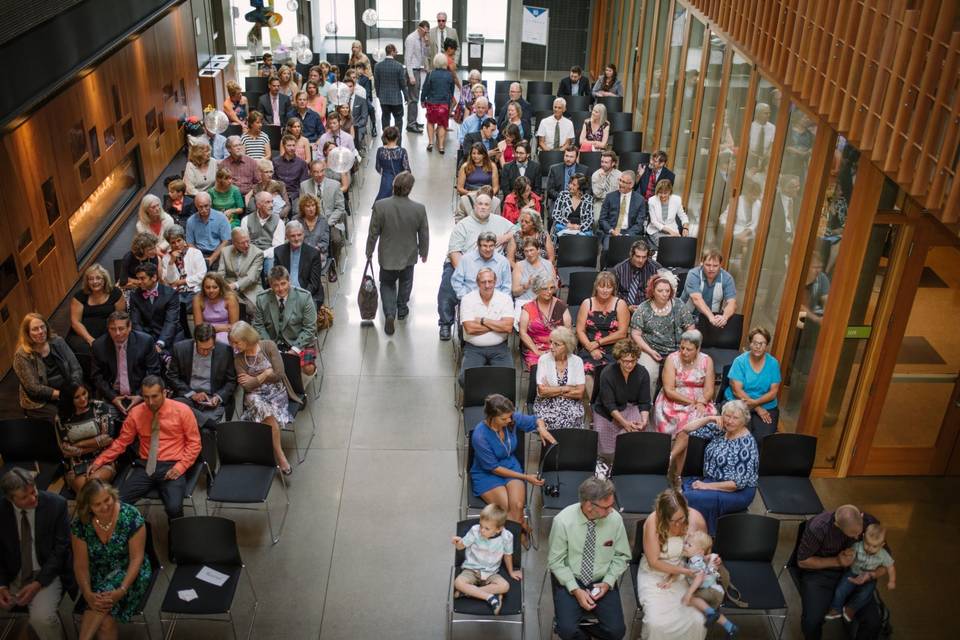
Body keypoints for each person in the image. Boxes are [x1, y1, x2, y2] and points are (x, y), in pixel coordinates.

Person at [89, 376, 201, 520]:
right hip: (146, 466)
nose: (150, 402)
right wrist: (100, 461)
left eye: (154, 396)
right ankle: (136, 536)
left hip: (173, 465)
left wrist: (181, 466)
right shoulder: (136, 413)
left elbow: (194, 443)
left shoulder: (182, 411)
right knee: (118, 504)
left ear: (164, 393)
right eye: (146, 397)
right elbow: (121, 442)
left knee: (174, 509)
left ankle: (176, 540)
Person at [547, 476, 630, 640]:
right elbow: (556, 562)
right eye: (606, 507)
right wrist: (575, 589)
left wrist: (608, 582)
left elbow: (622, 556)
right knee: (567, 630)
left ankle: (587, 632)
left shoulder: (615, 520)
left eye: (612, 505)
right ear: (588, 505)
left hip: (602, 579)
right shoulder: (563, 521)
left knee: (617, 631)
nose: (611, 510)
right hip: (572, 578)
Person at [70, 479, 152, 640]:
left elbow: (137, 558)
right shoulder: (80, 524)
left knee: (103, 596)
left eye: (107, 500)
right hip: (98, 574)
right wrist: (86, 593)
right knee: (105, 623)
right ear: (88, 506)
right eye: (97, 504)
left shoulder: (130, 515)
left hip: (129, 572)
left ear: (112, 495)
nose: (105, 506)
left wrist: (121, 590)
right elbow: (81, 564)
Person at [470, 394, 556, 547]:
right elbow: (494, 468)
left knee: (517, 506)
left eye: (510, 417)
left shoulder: (511, 417)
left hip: (510, 464)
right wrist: (525, 477)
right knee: (506, 510)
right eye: (504, 419)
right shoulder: (480, 435)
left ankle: (518, 528)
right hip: (487, 474)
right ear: (492, 417)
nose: (509, 421)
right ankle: (519, 532)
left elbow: (537, 419)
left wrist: (541, 429)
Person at [0, 468, 71, 640]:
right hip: (12, 575)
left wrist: (38, 583)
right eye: (24, 497)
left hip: (46, 573)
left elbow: (61, 550)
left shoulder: (57, 505)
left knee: (43, 619)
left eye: (34, 491)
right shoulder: (1, 511)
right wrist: (1, 586)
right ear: (11, 499)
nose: (33, 498)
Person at [797, 505, 887, 639]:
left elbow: (885, 560)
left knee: (873, 622)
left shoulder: (870, 523)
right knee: (811, 622)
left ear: (861, 517)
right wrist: (837, 561)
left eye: (859, 532)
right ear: (837, 525)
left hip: (857, 573)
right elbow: (802, 561)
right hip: (821, 575)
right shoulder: (818, 527)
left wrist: (870, 575)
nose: (857, 537)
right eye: (852, 534)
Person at [635, 489, 712, 640]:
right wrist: (683, 571)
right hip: (654, 574)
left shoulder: (696, 519)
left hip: (683, 573)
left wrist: (710, 560)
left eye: (682, 518)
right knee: (655, 623)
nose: (679, 524)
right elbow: (654, 561)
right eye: (673, 521)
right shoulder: (653, 521)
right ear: (663, 516)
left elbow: (705, 549)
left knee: (697, 620)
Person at [672, 402, 759, 534]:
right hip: (713, 481)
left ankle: (696, 535)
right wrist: (709, 418)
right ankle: (691, 533)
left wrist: (706, 486)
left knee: (688, 498)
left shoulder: (746, 445)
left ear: (744, 420)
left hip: (737, 492)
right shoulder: (722, 429)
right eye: (727, 416)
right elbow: (687, 429)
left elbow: (737, 484)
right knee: (683, 495)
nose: (729, 421)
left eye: (735, 418)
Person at [438, 195, 513, 340]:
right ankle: (445, 323)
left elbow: (518, 227)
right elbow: (454, 252)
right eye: (480, 204)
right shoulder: (463, 225)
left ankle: (498, 320)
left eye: (486, 204)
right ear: (474, 206)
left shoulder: (499, 221)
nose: (483, 207)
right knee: (448, 285)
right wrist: (468, 277)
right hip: (464, 262)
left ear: (491, 208)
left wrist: (505, 237)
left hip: (492, 262)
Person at [229, 321, 297, 474]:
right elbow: (246, 387)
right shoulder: (238, 359)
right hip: (254, 396)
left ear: (246, 338)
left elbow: (279, 374)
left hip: (276, 393)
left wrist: (254, 379)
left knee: (267, 414)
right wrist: (266, 373)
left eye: (236, 342)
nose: (234, 346)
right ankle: (280, 455)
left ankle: (274, 452)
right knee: (264, 410)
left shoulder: (268, 346)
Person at [366, 172, 429, 335]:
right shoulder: (419, 209)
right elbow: (424, 233)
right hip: (409, 255)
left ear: (394, 186)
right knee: (406, 282)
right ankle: (402, 309)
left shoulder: (380, 206)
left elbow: (373, 232)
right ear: (410, 189)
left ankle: (389, 314)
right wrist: (424, 251)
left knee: (387, 284)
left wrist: (369, 251)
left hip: (387, 256)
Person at [630, 271, 696, 399]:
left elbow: (690, 327)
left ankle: (675, 407)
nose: (664, 294)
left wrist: (685, 348)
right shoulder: (643, 308)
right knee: (648, 374)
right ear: (652, 291)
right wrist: (650, 351)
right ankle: (646, 406)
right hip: (650, 349)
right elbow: (635, 334)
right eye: (660, 291)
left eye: (667, 291)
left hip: (676, 350)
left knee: (681, 377)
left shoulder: (678, 304)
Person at [451, 503, 519, 615]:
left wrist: (511, 572)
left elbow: (508, 555)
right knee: (458, 582)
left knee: (505, 586)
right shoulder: (475, 531)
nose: (482, 530)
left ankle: (467, 593)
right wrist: (457, 543)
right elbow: (461, 546)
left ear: (498, 529)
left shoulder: (507, 537)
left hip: (491, 572)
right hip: (471, 570)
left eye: (487, 528)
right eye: (481, 525)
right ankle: (491, 597)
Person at [668, 531, 738, 638]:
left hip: (711, 591)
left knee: (691, 599)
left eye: (689, 545)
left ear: (699, 551)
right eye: (685, 543)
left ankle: (711, 614)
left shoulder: (696, 562)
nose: (685, 546)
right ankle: (730, 627)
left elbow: (699, 577)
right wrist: (669, 581)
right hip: (714, 591)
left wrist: (688, 593)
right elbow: (683, 570)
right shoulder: (695, 559)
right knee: (712, 613)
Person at [14, 313, 83, 420]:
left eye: (42, 327)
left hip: (67, 390)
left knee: (84, 409)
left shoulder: (58, 341)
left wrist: (74, 390)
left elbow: (76, 368)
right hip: (41, 401)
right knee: (61, 418)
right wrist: (62, 395)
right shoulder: (22, 355)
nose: (40, 332)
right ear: (27, 333)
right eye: (35, 329)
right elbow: (34, 389)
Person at [167, 323, 237, 429]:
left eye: (209, 349)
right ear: (195, 341)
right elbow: (172, 376)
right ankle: (207, 422)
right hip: (188, 397)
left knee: (201, 428)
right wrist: (192, 394)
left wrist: (218, 397)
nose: (205, 352)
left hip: (211, 399)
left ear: (214, 342)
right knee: (174, 406)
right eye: (202, 349)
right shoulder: (180, 349)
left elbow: (231, 381)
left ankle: (204, 421)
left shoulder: (225, 351)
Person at [90, 312, 160, 416]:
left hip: (141, 393)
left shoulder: (145, 341)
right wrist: (113, 397)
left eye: (121, 328)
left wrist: (140, 395)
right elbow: (97, 376)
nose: (117, 333)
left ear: (129, 327)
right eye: (112, 329)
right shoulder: (98, 345)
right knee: (108, 425)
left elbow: (153, 371)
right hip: (112, 395)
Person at [253, 266, 318, 377]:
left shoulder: (305, 297)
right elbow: (258, 325)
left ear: (289, 281)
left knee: (308, 368)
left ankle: (299, 386)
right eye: (275, 285)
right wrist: (271, 348)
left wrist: (295, 349)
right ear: (270, 284)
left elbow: (310, 328)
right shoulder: (261, 299)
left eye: (283, 283)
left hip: (301, 342)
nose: (280, 289)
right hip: (272, 341)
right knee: (257, 366)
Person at [826, 522, 896, 623]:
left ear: (882, 545)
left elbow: (890, 567)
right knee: (841, 589)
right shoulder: (858, 546)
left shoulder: (883, 555)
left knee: (865, 593)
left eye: (874, 546)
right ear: (863, 537)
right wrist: (847, 553)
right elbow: (849, 553)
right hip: (853, 573)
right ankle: (836, 609)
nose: (869, 548)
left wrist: (892, 580)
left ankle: (851, 608)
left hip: (869, 578)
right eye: (867, 544)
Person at [593, 339, 651, 458]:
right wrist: (624, 423)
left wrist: (644, 421)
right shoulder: (607, 373)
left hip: (630, 406)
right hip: (607, 412)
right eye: (625, 361)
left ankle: (630, 463)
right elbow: (609, 404)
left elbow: (644, 401)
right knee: (606, 451)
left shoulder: (642, 372)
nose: (629, 364)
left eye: (633, 361)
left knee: (634, 435)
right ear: (619, 359)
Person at [56, 382, 117, 493]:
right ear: (69, 399)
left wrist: (79, 444)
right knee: (86, 490)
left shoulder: (100, 407)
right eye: (77, 397)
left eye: (84, 393)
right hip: (76, 465)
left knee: (93, 484)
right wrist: (97, 444)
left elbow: (108, 438)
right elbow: (66, 450)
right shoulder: (61, 417)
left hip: (102, 459)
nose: (83, 399)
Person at [653, 329, 716, 436]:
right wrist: (692, 402)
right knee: (681, 417)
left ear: (698, 349)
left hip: (700, 398)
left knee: (704, 417)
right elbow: (669, 390)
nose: (684, 352)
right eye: (682, 348)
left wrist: (701, 402)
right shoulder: (672, 359)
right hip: (674, 398)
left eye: (689, 349)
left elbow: (709, 388)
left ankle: (690, 446)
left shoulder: (707, 360)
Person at [458, 267, 515, 385]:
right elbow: (469, 328)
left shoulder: (505, 299)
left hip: (500, 348)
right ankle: (479, 401)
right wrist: (497, 324)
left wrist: (483, 321)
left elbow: (508, 327)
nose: (487, 285)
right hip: (474, 348)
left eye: (490, 281)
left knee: (507, 378)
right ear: (478, 283)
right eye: (483, 282)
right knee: (466, 379)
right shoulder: (467, 299)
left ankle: (496, 402)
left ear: (495, 282)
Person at [724, 326, 782, 441]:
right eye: (755, 343)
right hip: (740, 403)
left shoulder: (773, 363)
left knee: (762, 438)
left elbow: (773, 392)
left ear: (767, 345)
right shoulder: (740, 361)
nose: (758, 346)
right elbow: (737, 390)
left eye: (762, 343)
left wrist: (755, 404)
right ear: (750, 343)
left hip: (766, 405)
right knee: (741, 435)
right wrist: (757, 408)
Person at [576, 271, 630, 382]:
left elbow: (622, 333)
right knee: (586, 371)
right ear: (596, 287)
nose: (605, 290)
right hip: (589, 347)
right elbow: (580, 330)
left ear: (613, 289)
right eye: (602, 286)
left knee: (612, 374)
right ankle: (592, 399)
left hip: (614, 349)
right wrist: (591, 348)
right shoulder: (587, 303)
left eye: (609, 287)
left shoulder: (620, 304)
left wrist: (598, 343)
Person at [67, 264, 126, 359]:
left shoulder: (115, 293)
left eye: (98, 278)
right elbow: (75, 322)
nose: (95, 282)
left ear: (105, 279)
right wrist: (90, 340)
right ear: (87, 281)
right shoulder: (79, 296)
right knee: (84, 349)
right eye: (91, 279)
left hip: (108, 331)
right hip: (83, 334)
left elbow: (121, 317)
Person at [534, 327, 586, 430]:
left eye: (556, 344)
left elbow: (580, 393)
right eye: (551, 342)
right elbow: (542, 391)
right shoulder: (544, 360)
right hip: (546, 404)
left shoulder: (577, 361)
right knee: (553, 419)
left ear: (567, 346)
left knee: (572, 416)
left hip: (572, 404)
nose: (551, 347)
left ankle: (566, 445)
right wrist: (567, 388)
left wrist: (552, 390)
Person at [299, 159, 346, 271]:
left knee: (336, 240)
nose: (319, 175)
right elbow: (302, 206)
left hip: (330, 221)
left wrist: (328, 222)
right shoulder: (304, 186)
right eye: (315, 172)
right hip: (311, 221)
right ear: (310, 172)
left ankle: (333, 266)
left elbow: (340, 208)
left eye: (321, 171)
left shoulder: (335, 185)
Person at [128, 262, 183, 353]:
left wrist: (160, 343)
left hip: (170, 336)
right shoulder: (135, 295)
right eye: (138, 278)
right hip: (148, 336)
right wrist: (147, 342)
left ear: (153, 277)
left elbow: (171, 322)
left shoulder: (170, 294)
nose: (139, 282)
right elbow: (136, 323)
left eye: (142, 278)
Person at [161, 225, 207, 327]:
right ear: (169, 244)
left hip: (194, 290)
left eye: (179, 240)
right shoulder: (166, 258)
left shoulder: (195, 253)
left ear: (183, 239)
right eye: (173, 242)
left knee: (180, 305)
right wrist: (171, 262)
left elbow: (201, 275)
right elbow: (170, 280)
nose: (177, 245)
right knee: (173, 303)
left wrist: (182, 282)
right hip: (176, 293)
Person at [274, 220, 325, 308]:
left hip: (308, 293)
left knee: (303, 312)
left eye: (299, 235)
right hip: (285, 292)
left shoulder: (313, 253)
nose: (297, 238)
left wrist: (300, 298)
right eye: (293, 236)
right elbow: (278, 278)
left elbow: (314, 284)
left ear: (303, 234)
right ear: (287, 237)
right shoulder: (279, 252)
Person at [681, 248, 737, 327]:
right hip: (685, 316)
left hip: (710, 320)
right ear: (702, 263)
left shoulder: (727, 278)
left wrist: (724, 317)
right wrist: (711, 317)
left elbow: (732, 303)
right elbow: (697, 299)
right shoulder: (693, 274)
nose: (711, 269)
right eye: (708, 265)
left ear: (720, 265)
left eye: (715, 266)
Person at [214, 227, 264, 315]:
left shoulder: (257, 253)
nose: (246, 245)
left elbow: (251, 277)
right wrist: (221, 287)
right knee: (231, 305)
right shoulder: (225, 251)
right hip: (229, 288)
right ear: (234, 243)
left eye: (248, 241)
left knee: (253, 309)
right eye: (242, 243)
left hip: (251, 288)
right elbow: (220, 274)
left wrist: (234, 285)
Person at [451, 233, 512, 300]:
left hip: (496, 302)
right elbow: (456, 282)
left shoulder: (503, 261)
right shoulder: (466, 259)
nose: (488, 249)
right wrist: (465, 298)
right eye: (485, 246)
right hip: (470, 300)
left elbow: (507, 286)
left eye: (491, 246)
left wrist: (500, 301)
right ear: (478, 246)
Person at [610, 239, 662, 312]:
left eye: (644, 257)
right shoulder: (619, 269)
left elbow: (660, 292)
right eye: (638, 256)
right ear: (631, 255)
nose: (641, 260)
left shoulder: (655, 269)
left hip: (649, 309)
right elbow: (614, 292)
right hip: (623, 309)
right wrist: (627, 306)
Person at [598, 171, 646, 249]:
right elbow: (602, 219)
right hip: (612, 232)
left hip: (630, 233)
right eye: (620, 180)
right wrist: (612, 231)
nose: (620, 184)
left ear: (631, 184)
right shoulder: (610, 197)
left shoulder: (640, 200)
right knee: (607, 250)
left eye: (624, 182)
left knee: (633, 252)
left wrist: (627, 235)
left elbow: (639, 224)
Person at [420, 53, 456, 153]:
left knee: (430, 122)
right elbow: (451, 91)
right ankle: (441, 146)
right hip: (444, 104)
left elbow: (425, 88)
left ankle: (431, 143)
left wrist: (423, 100)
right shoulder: (450, 75)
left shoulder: (430, 74)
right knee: (442, 125)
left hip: (432, 103)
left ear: (435, 62)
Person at [511, 240, 556, 321]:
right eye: (526, 251)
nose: (529, 254)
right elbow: (514, 292)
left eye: (531, 250)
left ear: (538, 250)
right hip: (525, 301)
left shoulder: (548, 264)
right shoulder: (519, 265)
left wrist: (546, 288)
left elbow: (555, 288)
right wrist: (526, 286)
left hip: (544, 301)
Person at [241, 191, 286, 270]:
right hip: (250, 254)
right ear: (258, 205)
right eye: (267, 202)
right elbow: (244, 243)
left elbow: (278, 247)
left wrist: (262, 254)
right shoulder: (246, 220)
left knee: (271, 265)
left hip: (269, 256)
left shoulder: (279, 222)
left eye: (272, 202)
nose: (271, 205)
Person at [185, 192, 232, 267]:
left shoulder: (221, 218)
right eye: (200, 207)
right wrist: (199, 258)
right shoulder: (191, 221)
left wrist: (211, 259)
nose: (204, 209)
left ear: (210, 204)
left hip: (218, 252)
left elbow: (226, 241)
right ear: (196, 206)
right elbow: (190, 243)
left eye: (206, 206)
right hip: (199, 253)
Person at [192, 273, 240, 344]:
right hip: (205, 334)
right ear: (203, 288)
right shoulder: (198, 299)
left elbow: (234, 326)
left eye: (215, 287)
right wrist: (211, 330)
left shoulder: (230, 298)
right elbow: (199, 327)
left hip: (227, 332)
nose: (211, 290)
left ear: (220, 287)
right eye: (207, 287)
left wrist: (214, 328)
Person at [646, 179, 689, 250]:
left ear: (670, 192)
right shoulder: (652, 201)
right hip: (656, 231)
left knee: (678, 246)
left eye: (665, 193)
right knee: (667, 245)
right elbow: (654, 222)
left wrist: (685, 228)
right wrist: (670, 232)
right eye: (660, 193)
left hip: (672, 230)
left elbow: (683, 215)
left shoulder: (677, 200)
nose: (662, 195)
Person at [373, 44, 407, 131]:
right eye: (396, 51)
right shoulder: (399, 66)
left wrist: (378, 94)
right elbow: (402, 84)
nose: (396, 53)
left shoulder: (377, 66)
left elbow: (376, 82)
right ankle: (397, 142)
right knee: (398, 121)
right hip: (396, 99)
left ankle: (385, 142)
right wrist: (406, 97)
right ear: (392, 52)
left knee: (385, 120)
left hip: (383, 98)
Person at [404, 21, 430, 132]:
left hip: (418, 69)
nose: (426, 33)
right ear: (419, 28)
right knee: (413, 99)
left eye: (427, 31)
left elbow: (425, 54)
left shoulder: (421, 39)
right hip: (412, 71)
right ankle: (411, 124)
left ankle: (413, 121)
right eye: (425, 31)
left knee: (415, 98)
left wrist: (426, 43)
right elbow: (407, 58)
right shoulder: (411, 39)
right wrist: (411, 76)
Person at [553, 172, 595, 238]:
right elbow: (555, 215)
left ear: (581, 187)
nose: (570, 186)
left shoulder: (589, 199)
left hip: (580, 230)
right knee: (558, 227)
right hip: (565, 227)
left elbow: (590, 219)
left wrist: (579, 227)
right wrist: (568, 224)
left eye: (574, 185)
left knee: (588, 233)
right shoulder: (563, 195)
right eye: (570, 183)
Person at [374, 126, 410, 202]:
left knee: (383, 202)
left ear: (385, 138)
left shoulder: (380, 151)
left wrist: (385, 174)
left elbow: (378, 167)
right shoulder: (402, 151)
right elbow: (407, 170)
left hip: (385, 181)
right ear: (397, 137)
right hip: (399, 182)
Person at [272, 135, 310, 202]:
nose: (292, 148)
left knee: (297, 210)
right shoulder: (275, 162)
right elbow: (273, 181)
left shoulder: (302, 163)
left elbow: (304, 184)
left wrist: (294, 196)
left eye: (293, 145)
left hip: (295, 195)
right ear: (283, 146)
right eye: (289, 145)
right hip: (279, 194)